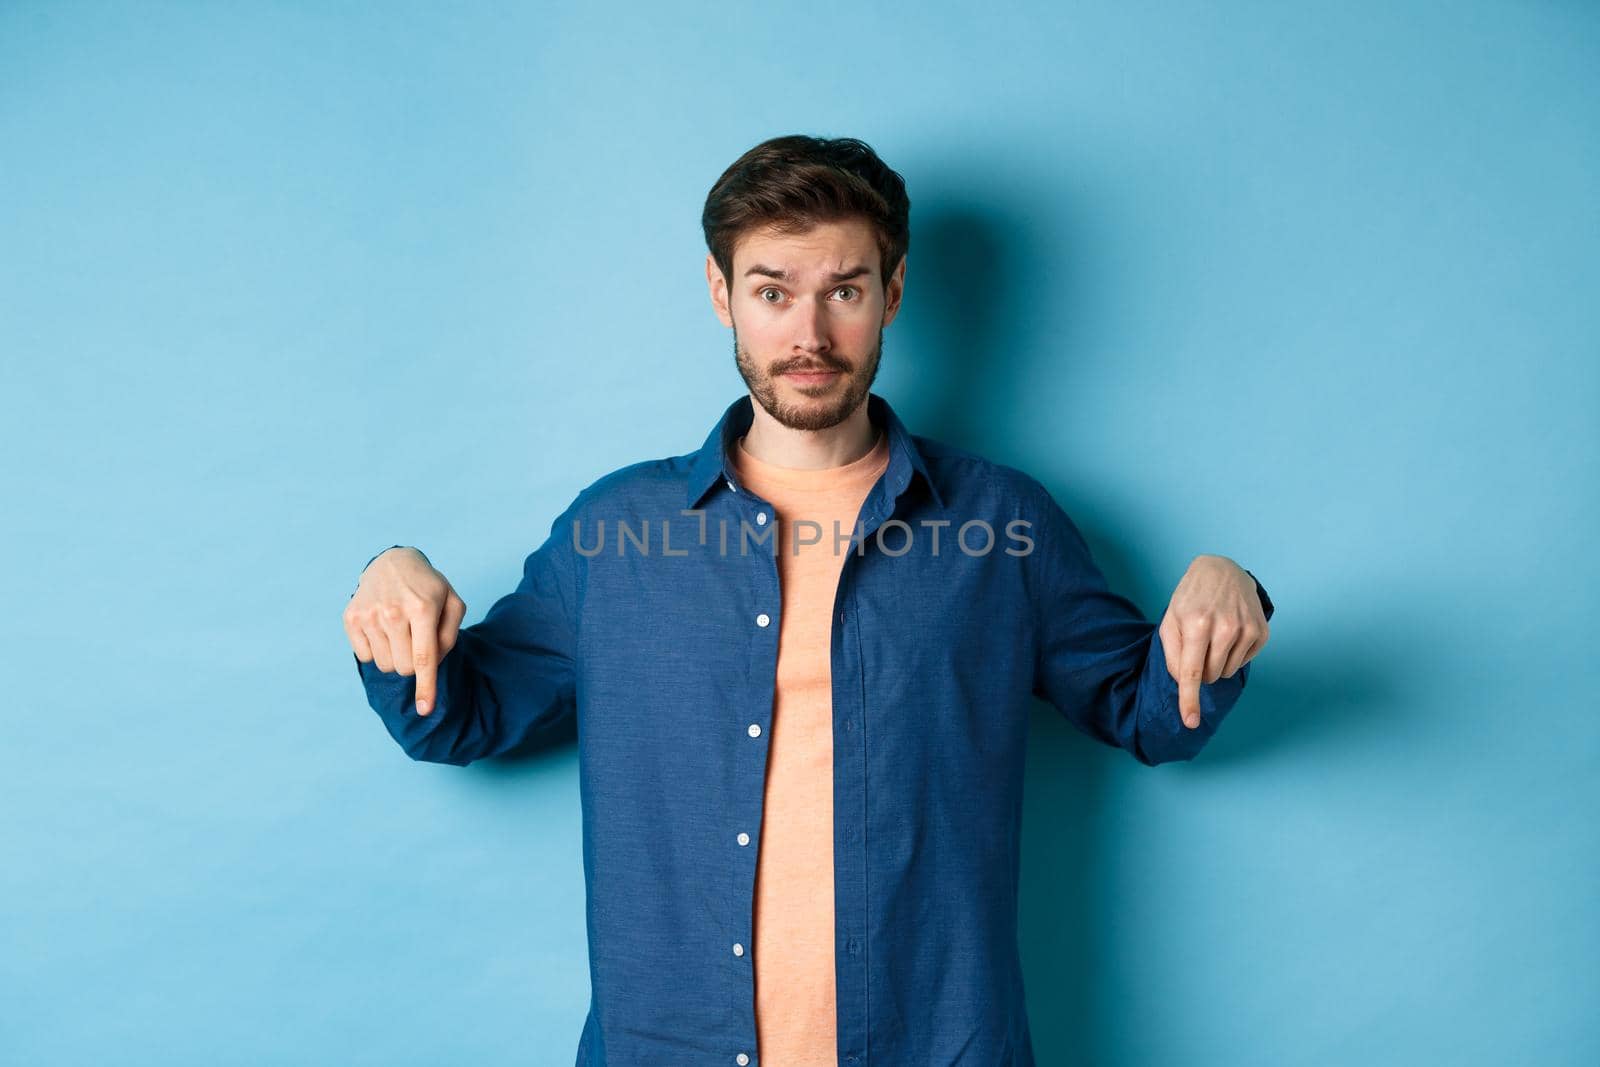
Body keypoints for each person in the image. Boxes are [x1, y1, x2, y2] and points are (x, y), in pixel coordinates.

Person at [343, 134, 1274, 1067]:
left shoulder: (1001, 527)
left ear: (893, 293)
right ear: (723, 296)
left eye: (844, 291)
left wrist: (1225, 599)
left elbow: (1152, 715)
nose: (809, 337)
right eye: (773, 291)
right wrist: (389, 577)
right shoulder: (613, 534)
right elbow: (454, 720)